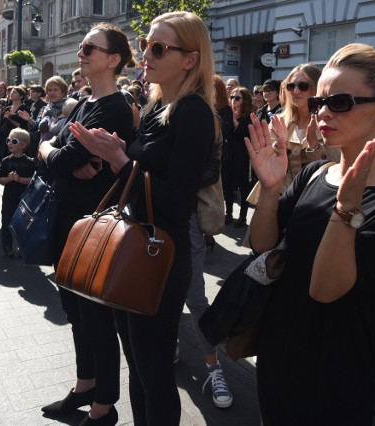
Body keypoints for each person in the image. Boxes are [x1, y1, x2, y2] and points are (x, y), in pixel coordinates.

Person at [244, 42, 375, 425]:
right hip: (278, 346)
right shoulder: (313, 174)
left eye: (340, 102)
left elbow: (325, 289)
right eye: (318, 102)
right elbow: (262, 245)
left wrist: (345, 210)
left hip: (335, 367)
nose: (323, 112)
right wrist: (272, 189)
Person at [69, 11, 216, 425]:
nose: (145, 54)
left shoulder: (194, 112)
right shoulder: (156, 106)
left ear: (189, 59)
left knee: (153, 371)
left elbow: (175, 202)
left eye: (158, 47)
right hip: (134, 248)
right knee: (138, 364)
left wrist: (118, 160)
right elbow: (145, 172)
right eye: (145, 43)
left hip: (160, 257)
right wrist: (117, 151)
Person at [38, 22, 135, 426]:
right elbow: (55, 151)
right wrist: (53, 151)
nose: (81, 53)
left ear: (113, 60)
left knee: (95, 319)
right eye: (81, 47)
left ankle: (104, 406)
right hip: (68, 224)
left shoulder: (113, 107)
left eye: (89, 48)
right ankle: (85, 386)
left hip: (93, 228)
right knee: (75, 313)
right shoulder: (81, 103)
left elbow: (58, 156)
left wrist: (48, 150)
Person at [182, 75, 233, 409]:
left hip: (185, 220)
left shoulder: (207, 121)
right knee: (155, 293)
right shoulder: (154, 110)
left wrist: (169, 176)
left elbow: (211, 172)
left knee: (195, 296)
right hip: (147, 221)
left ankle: (213, 364)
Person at [0, 128, 35, 257]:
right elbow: (0, 180)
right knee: (6, 222)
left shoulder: (29, 162)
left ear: (23, 145)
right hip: (8, 198)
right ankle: (7, 246)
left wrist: (18, 179)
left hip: (24, 199)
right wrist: (9, 178)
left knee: (23, 224)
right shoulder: (5, 161)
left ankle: (21, 247)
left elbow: (32, 181)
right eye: (8, 140)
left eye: (14, 141)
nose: (9, 143)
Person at [223, 86, 253, 227]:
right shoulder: (228, 114)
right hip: (229, 156)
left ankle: (243, 216)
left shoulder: (248, 118)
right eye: (232, 97)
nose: (233, 100)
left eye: (237, 98)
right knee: (227, 186)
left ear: (244, 100)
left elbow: (246, 136)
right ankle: (228, 213)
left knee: (243, 188)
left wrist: (235, 120)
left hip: (243, 157)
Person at [19, 76, 68, 143]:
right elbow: (36, 127)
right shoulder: (44, 109)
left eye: (55, 90)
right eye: (49, 90)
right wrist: (29, 120)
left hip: (58, 148)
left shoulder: (68, 108)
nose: (52, 93)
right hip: (42, 147)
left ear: (63, 92)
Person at [0, 86, 30, 155]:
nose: (11, 94)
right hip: (5, 139)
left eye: (14, 92)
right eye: (11, 92)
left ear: (21, 96)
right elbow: (1, 123)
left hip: (17, 140)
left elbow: (22, 126)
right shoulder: (7, 108)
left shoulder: (24, 108)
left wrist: (10, 118)